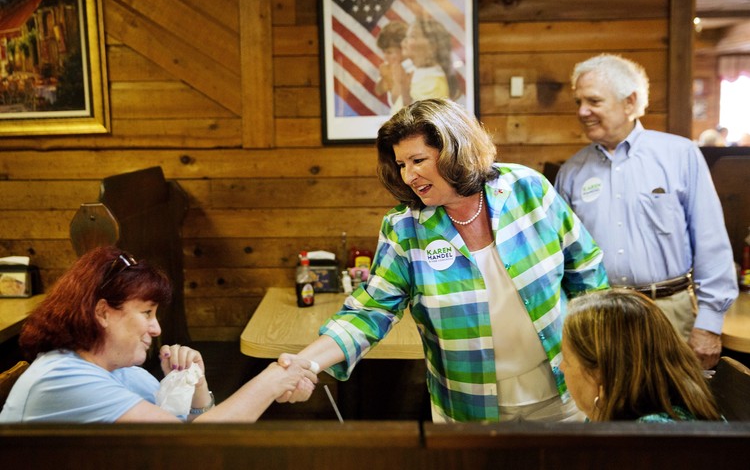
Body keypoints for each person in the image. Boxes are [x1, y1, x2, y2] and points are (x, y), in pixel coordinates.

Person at [277, 98, 609, 422]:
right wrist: (305, 363)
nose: (408, 176)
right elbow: (369, 312)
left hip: (564, 392)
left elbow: (586, 271)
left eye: (418, 160)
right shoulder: (404, 228)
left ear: (456, 150)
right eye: (401, 164)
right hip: (468, 408)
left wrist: (598, 357)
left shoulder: (527, 189)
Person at [554, 53, 738, 369]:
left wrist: (709, 323)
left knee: (674, 413)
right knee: (609, 415)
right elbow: (562, 259)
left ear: (630, 102)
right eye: (578, 102)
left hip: (671, 313)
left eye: (593, 101)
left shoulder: (680, 155)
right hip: (600, 318)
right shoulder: (571, 172)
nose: (582, 111)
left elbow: (711, 242)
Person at [0, 246, 316, 423]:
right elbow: (194, 448)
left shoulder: (122, 371)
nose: (157, 328)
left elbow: (191, 436)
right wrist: (272, 380)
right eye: (147, 313)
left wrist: (197, 386)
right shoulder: (62, 378)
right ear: (103, 312)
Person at [561, 288, 722, 422]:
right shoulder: (627, 416)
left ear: (600, 373)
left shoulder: (650, 438)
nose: (561, 367)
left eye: (567, 361)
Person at [394, 17, 459, 108]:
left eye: (412, 36)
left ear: (432, 45)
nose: (404, 42)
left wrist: (405, 92)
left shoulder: (434, 85)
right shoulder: (415, 73)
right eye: (406, 36)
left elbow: (417, 120)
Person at [374, 20, 408, 115]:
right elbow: (379, 91)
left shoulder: (412, 68)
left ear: (404, 48)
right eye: (383, 52)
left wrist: (396, 80)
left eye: (389, 52)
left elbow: (399, 101)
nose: (385, 57)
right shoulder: (388, 67)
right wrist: (385, 77)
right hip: (395, 114)